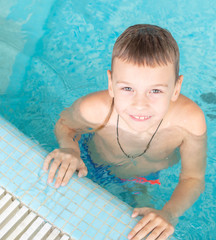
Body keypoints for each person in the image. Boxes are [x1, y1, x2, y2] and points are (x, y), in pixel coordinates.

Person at [43, 24, 207, 240]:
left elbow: (193, 177)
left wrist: (169, 213)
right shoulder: (95, 109)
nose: (140, 105)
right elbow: (65, 124)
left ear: (176, 88)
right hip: (88, 161)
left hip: (141, 180)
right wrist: (69, 148)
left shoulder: (190, 122)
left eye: (155, 90)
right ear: (111, 84)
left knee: (149, 229)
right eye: (127, 89)